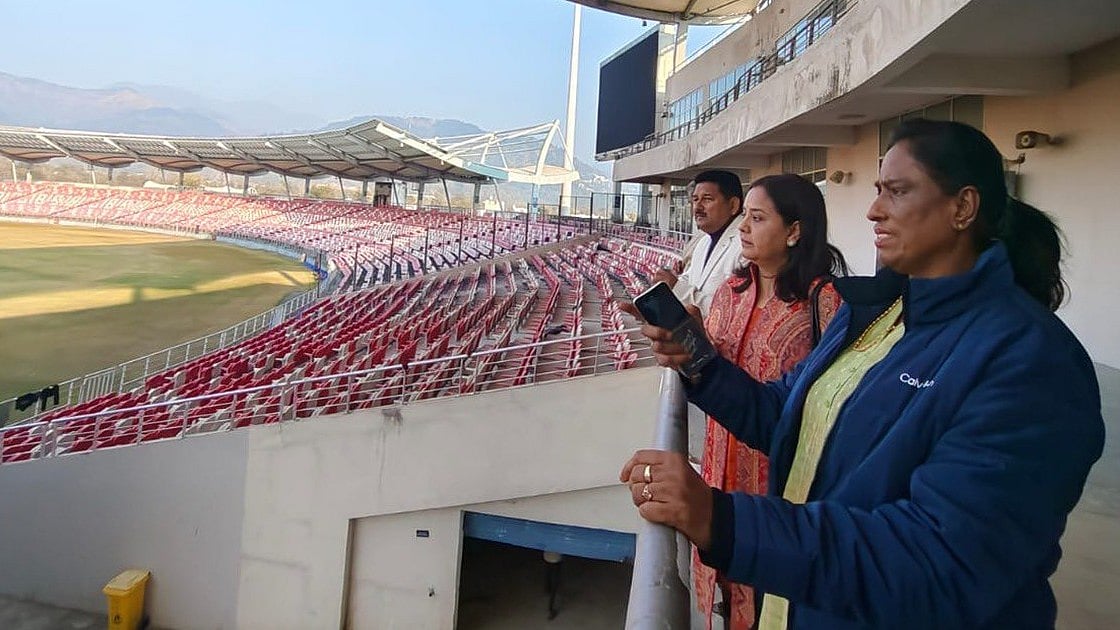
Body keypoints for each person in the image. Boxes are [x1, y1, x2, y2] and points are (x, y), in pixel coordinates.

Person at [620, 119, 1105, 629]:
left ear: (962, 207)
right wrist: (696, 361)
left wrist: (722, 521)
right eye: (877, 190)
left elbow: (943, 562)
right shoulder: (876, 313)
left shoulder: (1029, 360)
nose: (874, 210)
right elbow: (784, 416)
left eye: (897, 191)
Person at [695, 174, 848, 629]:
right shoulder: (730, 292)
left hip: (779, 485)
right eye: (744, 216)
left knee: (772, 602)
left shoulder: (825, 303)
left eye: (758, 218)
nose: (743, 227)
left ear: (794, 230)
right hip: (719, 469)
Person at [654, 170, 746, 317]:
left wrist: (676, 287)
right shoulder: (704, 242)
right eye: (695, 200)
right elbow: (687, 281)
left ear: (733, 205)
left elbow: (733, 312)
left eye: (707, 199)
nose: (697, 207)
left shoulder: (746, 246)